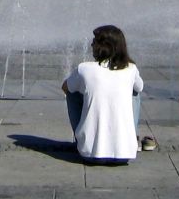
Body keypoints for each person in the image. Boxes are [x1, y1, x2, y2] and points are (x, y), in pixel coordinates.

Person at [62, 25, 150, 162]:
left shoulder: (84, 69)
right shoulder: (131, 69)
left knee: (72, 92)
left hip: (89, 153)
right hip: (125, 155)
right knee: (134, 91)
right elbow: (140, 87)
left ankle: (84, 138)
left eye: (94, 41)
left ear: (103, 47)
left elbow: (64, 87)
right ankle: (128, 139)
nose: (91, 44)